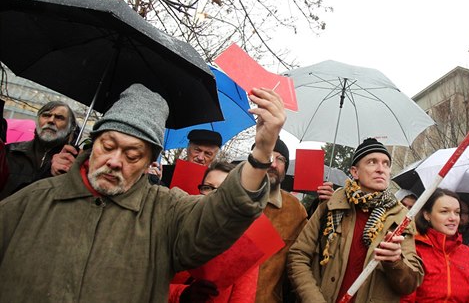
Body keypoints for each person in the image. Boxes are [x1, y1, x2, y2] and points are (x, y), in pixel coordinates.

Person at [0, 84, 285, 302]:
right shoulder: (29, 202)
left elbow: (223, 212)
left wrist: (261, 151)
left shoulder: (165, 212)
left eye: (133, 154)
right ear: (93, 142)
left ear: (150, 162)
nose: (114, 161)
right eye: (108, 146)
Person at [287, 138, 423, 302]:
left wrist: (395, 262)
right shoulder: (331, 206)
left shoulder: (401, 218)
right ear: (354, 171)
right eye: (372, 162)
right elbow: (298, 256)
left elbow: (409, 285)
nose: (381, 169)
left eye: (386, 164)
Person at [169, 161, 259, 303]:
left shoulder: (244, 249)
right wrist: (182, 294)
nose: (213, 196)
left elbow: (243, 298)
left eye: (222, 190)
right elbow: (148, 286)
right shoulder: (173, 229)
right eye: (208, 188)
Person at [401, 188, 469, 302]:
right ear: (427, 215)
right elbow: (406, 298)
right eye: (444, 211)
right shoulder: (414, 249)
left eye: (457, 212)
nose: (453, 218)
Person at [253, 137, 308, 303]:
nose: (273, 164)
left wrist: (323, 208)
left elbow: (304, 260)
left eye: (280, 159)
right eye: (268, 156)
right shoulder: (228, 196)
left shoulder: (295, 210)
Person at [0, 100, 77, 200]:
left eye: (59, 117)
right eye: (46, 115)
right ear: (37, 121)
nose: (51, 120)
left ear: (71, 127)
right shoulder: (8, 151)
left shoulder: (72, 163)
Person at [149, 129, 223, 186]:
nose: (200, 157)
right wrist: (153, 181)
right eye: (197, 150)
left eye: (208, 154)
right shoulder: (163, 172)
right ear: (188, 148)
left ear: (214, 156)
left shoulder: (215, 183)